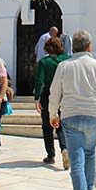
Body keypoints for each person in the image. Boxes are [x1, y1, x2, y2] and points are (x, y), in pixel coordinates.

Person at [49, 30, 96, 190]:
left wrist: (53, 114)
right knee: (90, 153)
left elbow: (55, 92)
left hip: (70, 115)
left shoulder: (64, 65)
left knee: (76, 159)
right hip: (93, 115)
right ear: (89, 46)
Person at [34, 36, 71, 167]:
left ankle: (51, 155)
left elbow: (40, 81)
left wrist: (37, 98)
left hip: (48, 96)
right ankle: (64, 148)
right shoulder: (67, 60)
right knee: (61, 126)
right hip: (64, 96)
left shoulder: (44, 62)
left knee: (47, 126)